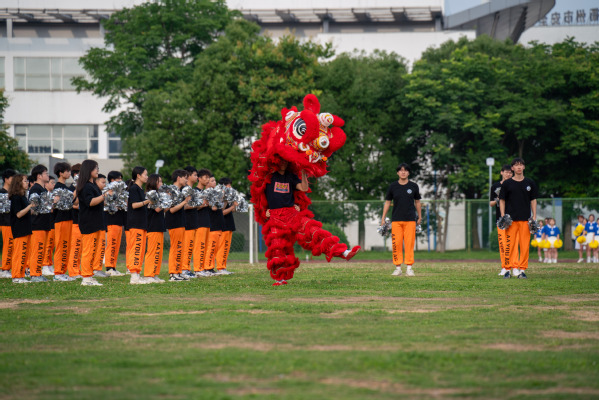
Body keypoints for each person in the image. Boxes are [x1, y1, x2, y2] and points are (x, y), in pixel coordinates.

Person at [499, 157, 538, 279]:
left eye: (521, 164)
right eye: (516, 165)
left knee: (525, 246)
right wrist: (503, 215)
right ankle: (507, 270)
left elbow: (533, 200)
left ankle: (522, 270)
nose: (519, 167)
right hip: (511, 220)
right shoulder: (507, 183)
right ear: (512, 168)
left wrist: (534, 216)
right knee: (509, 246)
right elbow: (502, 200)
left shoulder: (529, 183)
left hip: (525, 220)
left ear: (524, 167)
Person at [381, 163, 422, 277]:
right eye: (401, 170)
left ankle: (409, 268)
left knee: (409, 244)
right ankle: (398, 268)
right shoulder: (393, 186)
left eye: (405, 170)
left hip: (410, 220)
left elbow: (417, 202)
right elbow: (387, 202)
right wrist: (383, 218)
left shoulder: (414, 186)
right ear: (397, 173)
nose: (403, 172)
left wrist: (419, 216)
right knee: (396, 244)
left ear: (408, 173)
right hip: (396, 220)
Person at [76, 160, 108, 286]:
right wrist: (104, 196)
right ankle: (86, 278)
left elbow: (98, 201)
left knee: (94, 250)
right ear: (89, 170)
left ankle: (90, 275)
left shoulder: (93, 184)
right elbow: (90, 202)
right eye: (95, 168)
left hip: (97, 222)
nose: (97, 170)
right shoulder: (85, 186)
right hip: (89, 222)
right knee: (88, 251)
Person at [127, 166, 154, 284]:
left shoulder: (140, 189)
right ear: (138, 175)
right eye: (145, 174)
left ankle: (137, 274)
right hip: (136, 223)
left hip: (142, 224)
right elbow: (134, 205)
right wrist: (147, 201)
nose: (147, 177)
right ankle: (133, 276)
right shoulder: (134, 188)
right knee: (136, 248)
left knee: (141, 249)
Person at [165, 169, 191, 281]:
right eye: (185, 178)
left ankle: (178, 271)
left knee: (180, 248)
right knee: (176, 247)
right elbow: (171, 209)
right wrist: (185, 202)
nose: (186, 180)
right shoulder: (171, 190)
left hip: (181, 222)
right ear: (179, 178)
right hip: (174, 222)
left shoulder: (180, 191)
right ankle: (173, 273)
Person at [52, 162, 76, 281]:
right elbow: (56, 204)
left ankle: (62, 271)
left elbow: (72, 200)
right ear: (60, 173)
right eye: (67, 171)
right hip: (61, 220)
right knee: (61, 246)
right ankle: (58, 273)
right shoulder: (58, 187)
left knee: (66, 247)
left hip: (68, 219)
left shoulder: (65, 187)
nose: (69, 173)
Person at [28, 164, 52, 282]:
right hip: (37, 224)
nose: (48, 175)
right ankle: (34, 274)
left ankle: (38, 272)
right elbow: (33, 207)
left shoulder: (43, 189)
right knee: (37, 249)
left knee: (41, 250)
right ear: (39, 176)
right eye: (46, 173)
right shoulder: (35, 189)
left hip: (44, 223)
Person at [9, 174, 34, 283]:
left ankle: (21, 275)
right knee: (20, 253)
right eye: (25, 181)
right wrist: (30, 206)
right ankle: (16, 276)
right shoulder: (16, 197)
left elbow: (26, 212)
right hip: (19, 229)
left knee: (24, 253)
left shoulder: (23, 196)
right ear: (18, 183)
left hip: (26, 228)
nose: (27, 183)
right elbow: (18, 214)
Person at [489, 164, 513, 276]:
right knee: (503, 244)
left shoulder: (514, 184)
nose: (508, 174)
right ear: (501, 172)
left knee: (512, 244)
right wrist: (499, 199)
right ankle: (504, 266)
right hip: (501, 219)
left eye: (510, 172)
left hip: (513, 218)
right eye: (506, 172)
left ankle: (514, 266)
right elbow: (491, 203)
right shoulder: (495, 186)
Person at [144, 173, 166, 282]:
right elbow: (157, 209)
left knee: (158, 251)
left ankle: (155, 273)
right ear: (154, 182)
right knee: (152, 251)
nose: (161, 183)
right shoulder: (151, 194)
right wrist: (167, 199)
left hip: (159, 226)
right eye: (159, 181)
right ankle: (149, 274)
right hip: (152, 227)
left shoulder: (158, 194)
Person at [104, 171, 126, 276]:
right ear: (112, 180)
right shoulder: (108, 191)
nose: (120, 180)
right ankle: (109, 267)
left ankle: (113, 267)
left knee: (116, 245)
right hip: (111, 221)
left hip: (119, 221)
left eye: (121, 178)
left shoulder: (120, 191)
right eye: (118, 179)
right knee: (112, 244)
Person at [215, 177, 236, 275]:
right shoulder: (221, 197)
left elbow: (232, 210)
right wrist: (232, 206)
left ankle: (223, 267)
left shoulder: (228, 196)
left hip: (229, 224)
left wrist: (235, 204)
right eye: (228, 185)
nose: (230, 187)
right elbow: (222, 212)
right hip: (224, 225)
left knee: (226, 248)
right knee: (222, 247)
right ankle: (220, 267)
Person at [182, 166, 199, 279]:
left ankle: (187, 268)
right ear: (188, 176)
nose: (197, 177)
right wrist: (197, 204)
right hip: (186, 222)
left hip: (193, 221)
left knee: (190, 247)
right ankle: (184, 269)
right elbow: (185, 205)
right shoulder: (185, 189)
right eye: (195, 175)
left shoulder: (191, 190)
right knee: (186, 246)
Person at [194, 169, 213, 277]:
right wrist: (204, 203)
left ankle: (203, 268)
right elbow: (194, 207)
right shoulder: (195, 191)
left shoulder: (205, 192)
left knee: (205, 246)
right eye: (205, 177)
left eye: (208, 178)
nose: (207, 180)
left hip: (207, 221)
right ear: (199, 178)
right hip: (199, 222)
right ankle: (198, 269)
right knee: (199, 246)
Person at [0, 169, 17, 279]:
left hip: (12, 223)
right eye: (12, 178)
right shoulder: (2, 193)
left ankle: (8, 267)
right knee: (8, 245)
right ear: (6, 179)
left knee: (12, 246)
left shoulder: (12, 193)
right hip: (5, 223)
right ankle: (5, 269)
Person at [68, 163, 83, 279]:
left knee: (79, 249)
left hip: (80, 222)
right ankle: (73, 271)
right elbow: (71, 204)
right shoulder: (71, 189)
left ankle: (77, 270)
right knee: (75, 247)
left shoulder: (82, 188)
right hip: (74, 222)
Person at [92, 174, 108, 278]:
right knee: (94, 247)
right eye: (103, 182)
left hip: (101, 222)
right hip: (94, 223)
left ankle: (98, 268)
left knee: (101, 247)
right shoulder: (93, 191)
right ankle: (92, 269)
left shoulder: (100, 192)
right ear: (96, 181)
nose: (104, 185)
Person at [41, 175, 56, 277]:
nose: (53, 185)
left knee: (51, 245)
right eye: (52, 183)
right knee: (47, 245)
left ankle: (49, 264)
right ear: (46, 184)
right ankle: (45, 265)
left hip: (52, 222)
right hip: (47, 222)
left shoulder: (51, 194)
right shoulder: (45, 194)